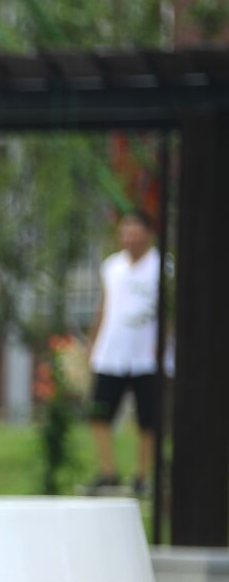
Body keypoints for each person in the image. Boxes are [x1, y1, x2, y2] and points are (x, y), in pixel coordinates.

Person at [87, 209, 164, 495]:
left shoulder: (161, 268)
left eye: (134, 228)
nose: (128, 235)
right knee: (99, 413)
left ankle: (143, 476)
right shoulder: (112, 267)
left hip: (147, 356)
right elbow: (104, 307)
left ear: (148, 232)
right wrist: (92, 343)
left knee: (148, 419)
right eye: (124, 229)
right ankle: (108, 472)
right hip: (112, 353)